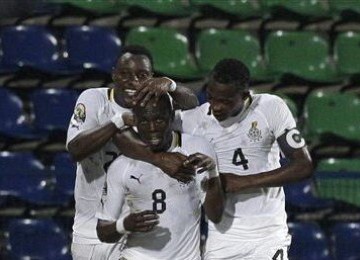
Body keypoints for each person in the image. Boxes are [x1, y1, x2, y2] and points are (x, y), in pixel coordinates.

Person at [66, 45, 199, 260]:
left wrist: (172, 86)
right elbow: (75, 151)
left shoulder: (155, 106)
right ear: (114, 75)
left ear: (151, 78)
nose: (132, 81)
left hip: (143, 233)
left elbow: (193, 105)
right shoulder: (94, 100)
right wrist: (119, 121)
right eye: (125, 74)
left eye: (141, 75)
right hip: (94, 230)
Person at [176, 59, 313, 259]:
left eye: (226, 101)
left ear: (245, 95)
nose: (217, 107)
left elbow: (304, 165)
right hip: (221, 239)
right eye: (212, 98)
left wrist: (243, 182)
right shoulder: (194, 121)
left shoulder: (270, 107)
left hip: (267, 234)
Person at [96, 94, 225, 260]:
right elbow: (103, 232)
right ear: (135, 121)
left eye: (159, 120)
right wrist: (125, 225)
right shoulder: (121, 166)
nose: (152, 128)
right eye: (144, 121)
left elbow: (215, 215)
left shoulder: (197, 147)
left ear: (171, 117)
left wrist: (213, 172)